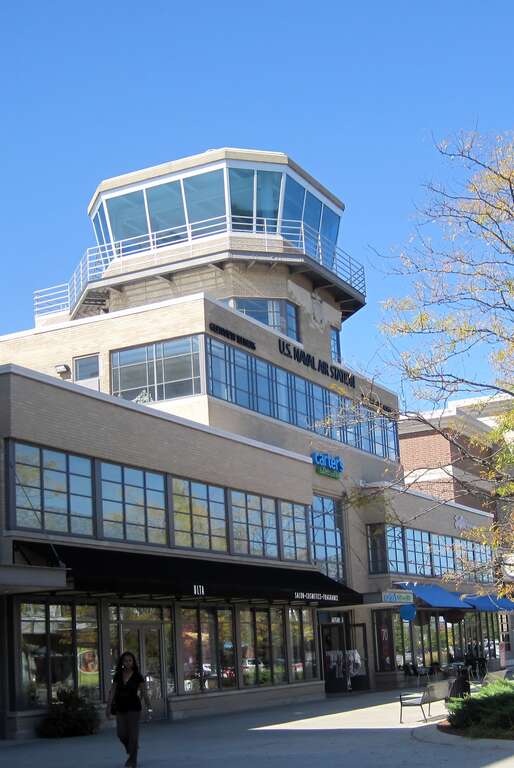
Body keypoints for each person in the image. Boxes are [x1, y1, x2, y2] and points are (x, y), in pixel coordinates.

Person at [106, 652, 152, 768]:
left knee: (133, 735)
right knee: (121, 733)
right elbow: (112, 692)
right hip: (120, 708)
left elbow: (144, 693)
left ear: (133, 662)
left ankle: (132, 760)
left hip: (134, 708)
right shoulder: (118, 675)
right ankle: (131, 748)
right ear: (122, 662)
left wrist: (149, 708)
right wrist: (108, 707)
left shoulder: (137, 676)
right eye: (125, 660)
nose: (128, 663)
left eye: (130, 660)